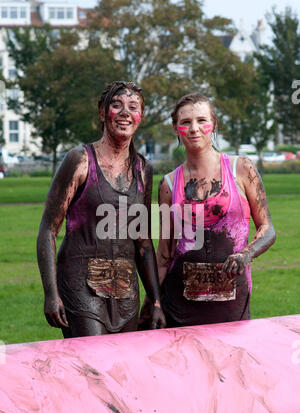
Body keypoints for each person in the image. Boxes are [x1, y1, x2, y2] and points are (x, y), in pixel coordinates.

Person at [37, 81, 166, 337]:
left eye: (133, 107)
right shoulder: (80, 160)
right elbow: (48, 230)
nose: (125, 112)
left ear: (140, 116)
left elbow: (143, 242)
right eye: (116, 105)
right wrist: (51, 294)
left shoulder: (143, 169)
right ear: (101, 113)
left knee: (121, 366)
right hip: (80, 282)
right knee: (92, 365)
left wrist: (155, 301)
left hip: (124, 288)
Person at [140, 93, 276, 328]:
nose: (194, 129)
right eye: (185, 122)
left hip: (232, 304)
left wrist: (246, 254)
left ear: (213, 124)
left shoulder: (241, 169)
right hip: (180, 307)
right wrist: (153, 304)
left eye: (202, 120)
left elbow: (267, 228)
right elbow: (165, 253)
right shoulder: (168, 184)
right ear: (176, 128)